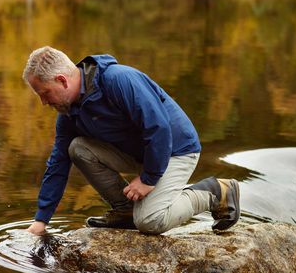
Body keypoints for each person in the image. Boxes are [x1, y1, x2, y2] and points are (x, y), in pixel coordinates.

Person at [23, 46, 240, 236]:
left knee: (150, 221)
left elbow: (159, 128)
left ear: (62, 80)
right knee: (77, 148)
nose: (43, 102)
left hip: (176, 149)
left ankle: (217, 191)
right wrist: (41, 221)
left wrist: (148, 179)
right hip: (141, 153)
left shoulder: (119, 80)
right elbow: (58, 163)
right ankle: (125, 211)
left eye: (45, 93)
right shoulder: (69, 113)